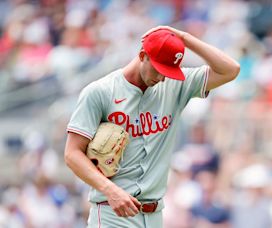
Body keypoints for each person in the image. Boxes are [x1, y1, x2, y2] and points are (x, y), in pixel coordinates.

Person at [64, 25, 240, 227]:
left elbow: (230, 69)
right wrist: (109, 189)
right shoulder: (100, 92)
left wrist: (183, 37)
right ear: (142, 55)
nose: (163, 77)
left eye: (170, 71)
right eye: (159, 69)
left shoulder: (174, 86)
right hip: (113, 213)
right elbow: (72, 154)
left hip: (155, 215)